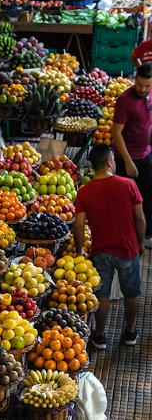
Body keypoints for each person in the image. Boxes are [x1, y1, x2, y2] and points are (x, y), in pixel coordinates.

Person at [74, 144, 145, 350]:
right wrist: (140, 242)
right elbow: (140, 218)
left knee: (101, 294)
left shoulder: (85, 191)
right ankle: (130, 332)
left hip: (100, 250)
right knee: (131, 293)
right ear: (108, 162)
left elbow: (79, 226)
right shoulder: (128, 184)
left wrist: (79, 251)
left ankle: (100, 336)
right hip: (127, 248)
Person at [112, 62, 152, 242]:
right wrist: (128, 161)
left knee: (148, 196)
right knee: (126, 202)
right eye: (140, 85)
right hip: (126, 159)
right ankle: (124, 237)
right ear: (134, 80)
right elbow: (116, 133)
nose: (143, 89)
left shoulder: (150, 94)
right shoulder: (125, 100)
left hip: (146, 155)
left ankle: (145, 234)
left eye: (147, 86)